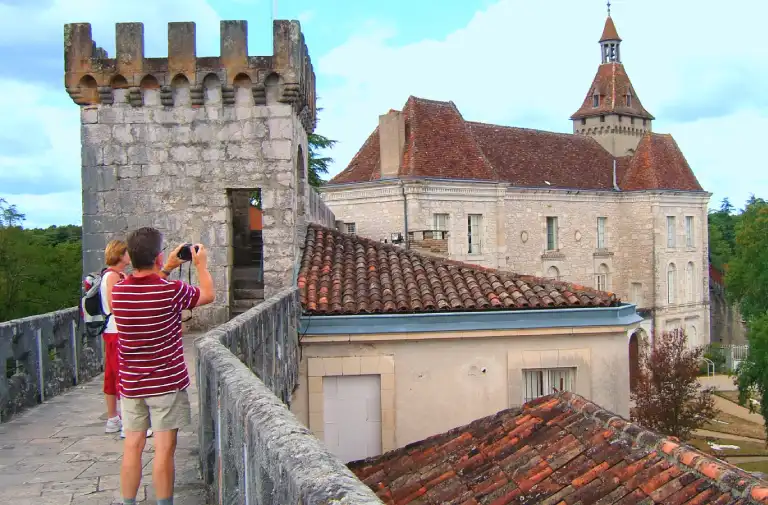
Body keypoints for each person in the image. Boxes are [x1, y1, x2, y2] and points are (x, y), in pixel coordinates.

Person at [111, 228, 214, 505]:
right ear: (158, 256)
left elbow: (147, 286)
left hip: (132, 384)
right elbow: (207, 295)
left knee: (132, 446)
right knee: (164, 449)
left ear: (130, 257)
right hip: (166, 384)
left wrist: (167, 267)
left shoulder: (118, 292)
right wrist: (201, 265)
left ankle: (128, 502)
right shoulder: (170, 291)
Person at [100, 239, 130, 434]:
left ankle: (113, 419)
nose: (129, 256)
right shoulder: (112, 276)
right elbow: (115, 305)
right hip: (117, 329)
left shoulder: (114, 275)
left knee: (112, 374)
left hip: (112, 330)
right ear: (120, 255)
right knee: (122, 374)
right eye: (126, 252)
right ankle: (128, 424)